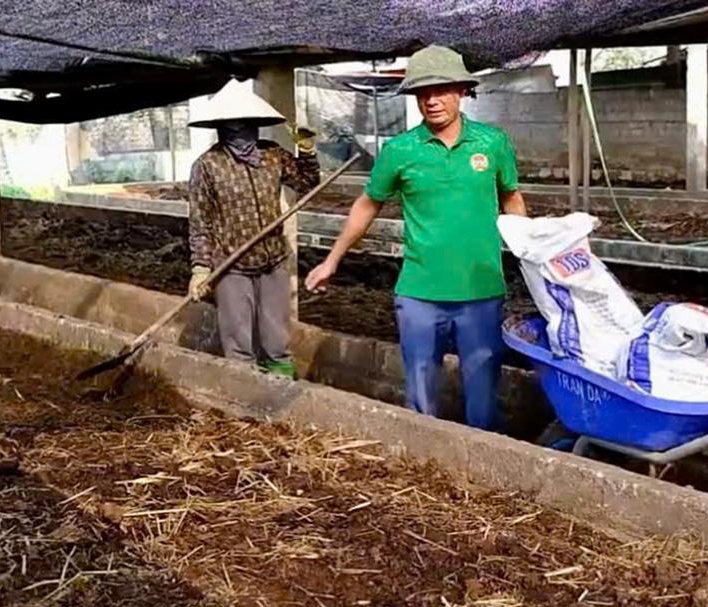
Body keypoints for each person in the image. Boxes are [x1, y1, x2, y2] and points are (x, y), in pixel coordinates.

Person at [305, 46, 527, 430]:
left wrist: (532, 254)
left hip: (481, 289)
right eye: (422, 92)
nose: (431, 100)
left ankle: (484, 456)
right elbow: (367, 204)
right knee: (420, 389)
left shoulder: (492, 143)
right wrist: (332, 259)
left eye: (441, 90)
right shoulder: (400, 150)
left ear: (461, 91)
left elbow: (511, 197)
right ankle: (426, 451)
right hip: (420, 292)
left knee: (483, 389)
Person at [186, 78, 319, 379]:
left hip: (273, 259)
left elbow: (307, 183)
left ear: (255, 124)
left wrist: (307, 151)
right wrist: (200, 267)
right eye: (232, 125)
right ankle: (243, 387)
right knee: (238, 338)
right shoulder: (208, 165)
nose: (240, 131)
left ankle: (281, 385)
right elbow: (200, 220)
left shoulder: (272, 155)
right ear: (221, 127)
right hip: (231, 264)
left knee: (276, 337)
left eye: (245, 124)